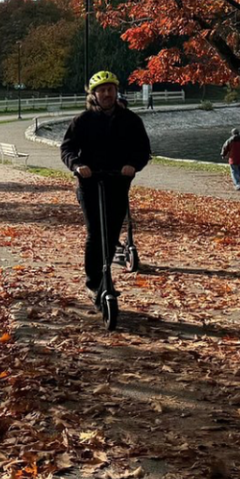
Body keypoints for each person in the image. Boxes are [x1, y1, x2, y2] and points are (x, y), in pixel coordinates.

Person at [60, 70, 152, 310]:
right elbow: (67, 149)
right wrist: (77, 165)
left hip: (117, 182)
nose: (107, 94)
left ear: (116, 91)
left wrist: (133, 165)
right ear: (94, 95)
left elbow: (143, 149)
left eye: (110, 89)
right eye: (102, 91)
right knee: (95, 234)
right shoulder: (83, 120)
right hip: (90, 183)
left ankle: (105, 275)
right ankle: (94, 282)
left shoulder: (130, 120)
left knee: (111, 235)